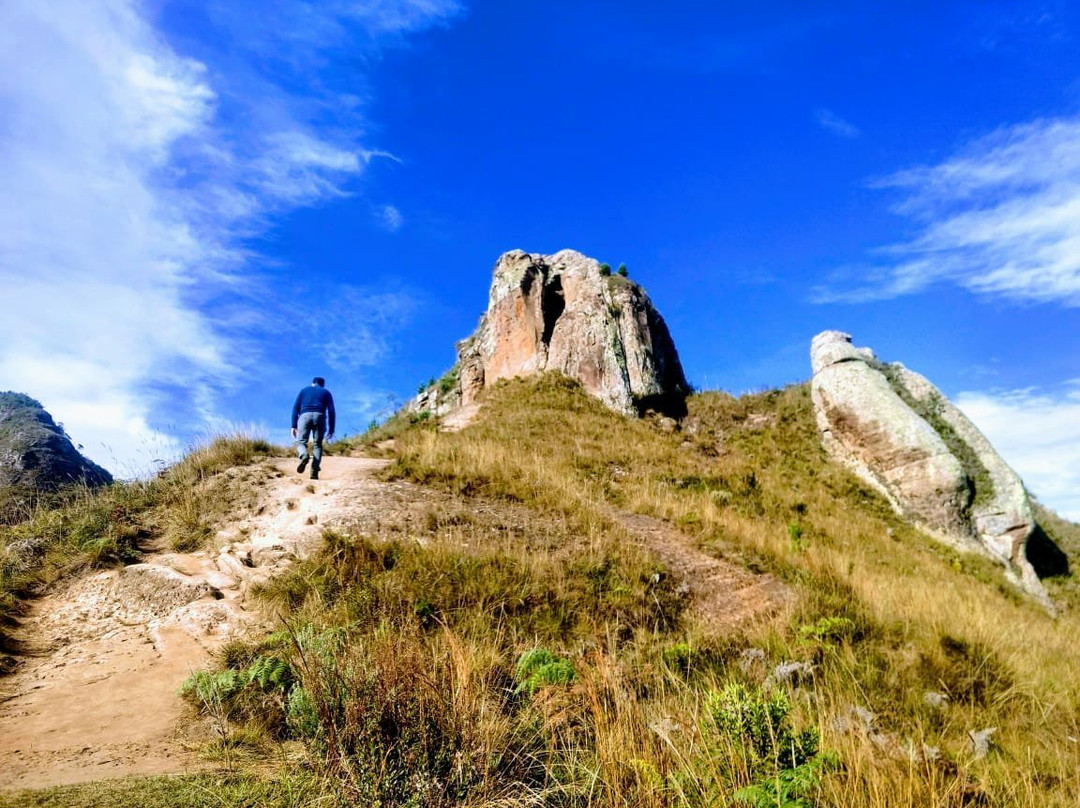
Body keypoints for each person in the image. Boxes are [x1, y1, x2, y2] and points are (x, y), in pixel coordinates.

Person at [291, 376, 335, 480]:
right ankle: (314, 472)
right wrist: (331, 428)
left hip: (304, 416)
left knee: (301, 442)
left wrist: (293, 425)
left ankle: (304, 455)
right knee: (317, 445)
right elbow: (331, 411)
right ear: (322, 384)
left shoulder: (304, 390)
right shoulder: (326, 392)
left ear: (312, 383)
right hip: (320, 416)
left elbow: (295, 408)